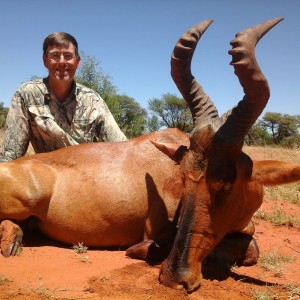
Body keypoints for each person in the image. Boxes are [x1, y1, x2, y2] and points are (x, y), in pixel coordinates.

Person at [0, 32, 127, 162]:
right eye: (55, 55)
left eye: (68, 56)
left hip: (86, 175)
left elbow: (121, 147)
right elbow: (10, 155)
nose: (61, 62)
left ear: (77, 62)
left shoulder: (93, 100)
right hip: (47, 177)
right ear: (45, 60)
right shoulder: (27, 94)